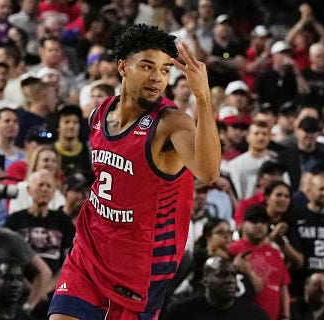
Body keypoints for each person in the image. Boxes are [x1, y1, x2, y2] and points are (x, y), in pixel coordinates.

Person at [48, 24, 221, 320]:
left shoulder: (171, 123)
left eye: (166, 69)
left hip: (139, 269)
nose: (157, 77)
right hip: (88, 254)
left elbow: (208, 172)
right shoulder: (99, 113)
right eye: (147, 66)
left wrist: (203, 101)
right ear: (122, 67)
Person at [229, 206, 291, 320]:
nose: (259, 225)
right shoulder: (233, 249)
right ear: (243, 224)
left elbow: (283, 286)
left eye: (263, 222)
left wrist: (286, 315)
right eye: (254, 221)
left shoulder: (275, 252)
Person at [161, 257, 269, 320]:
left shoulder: (254, 315)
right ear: (205, 280)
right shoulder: (180, 312)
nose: (230, 280)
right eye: (222, 275)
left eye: (233, 275)